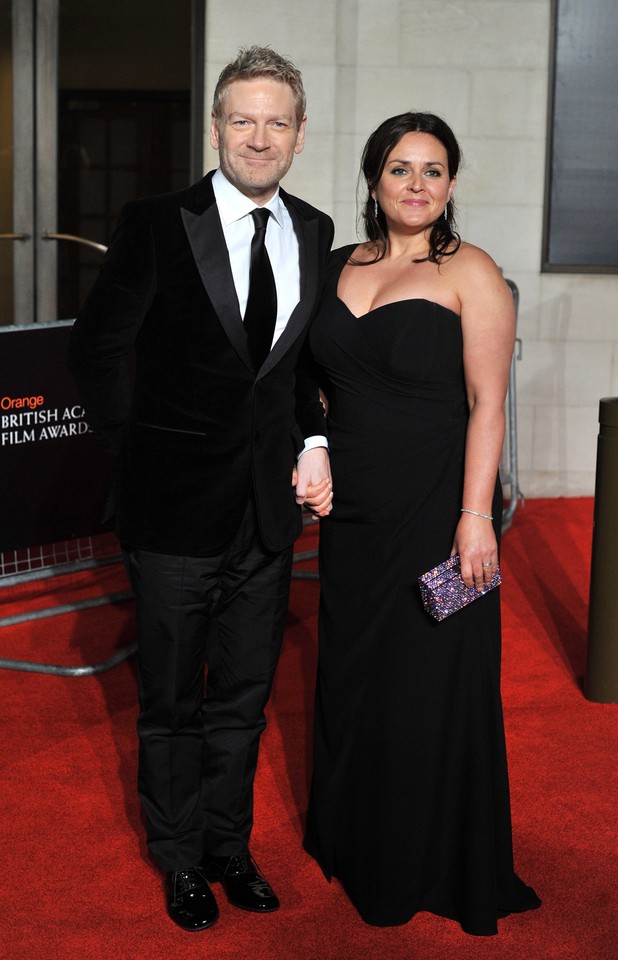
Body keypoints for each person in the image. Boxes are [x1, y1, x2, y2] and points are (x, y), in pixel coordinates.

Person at [68, 46, 334, 933]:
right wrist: (136, 453)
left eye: (277, 122)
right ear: (216, 126)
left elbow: (294, 373)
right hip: (171, 514)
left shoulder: (315, 230)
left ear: (300, 135)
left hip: (266, 516)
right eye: (242, 119)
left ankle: (229, 846)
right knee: (172, 703)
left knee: (246, 700)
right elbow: (98, 351)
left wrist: (314, 439)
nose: (259, 137)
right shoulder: (155, 221)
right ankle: (180, 860)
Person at [302, 112, 541, 936]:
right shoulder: (335, 265)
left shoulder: (472, 272)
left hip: (440, 510)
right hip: (354, 516)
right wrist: (317, 444)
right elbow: (313, 383)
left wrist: (477, 518)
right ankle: (354, 833)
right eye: (400, 168)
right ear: (373, 179)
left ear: (450, 185)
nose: (415, 185)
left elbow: (487, 407)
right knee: (354, 675)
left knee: (429, 683)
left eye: (433, 170)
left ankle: (425, 858)